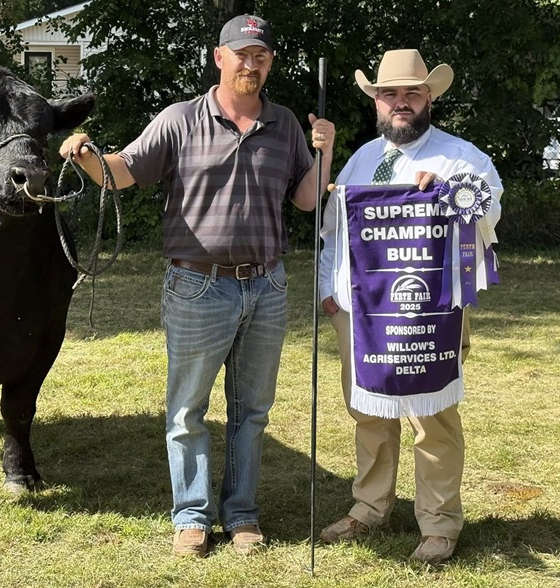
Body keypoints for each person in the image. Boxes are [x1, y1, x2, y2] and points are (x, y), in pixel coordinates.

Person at [59, 14, 335, 557]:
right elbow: (122, 172)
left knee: (252, 410)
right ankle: (190, 515)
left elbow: (306, 200)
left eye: (260, 56)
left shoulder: (284, 125)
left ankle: (242, 513)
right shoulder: (180, 120)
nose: (250, 64)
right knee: (188, 410)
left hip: (267, 286)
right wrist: (86, 155)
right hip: (197, 287)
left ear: (269, 62)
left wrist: (324, 153)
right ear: (219, 57)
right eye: (241, 54)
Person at [317, 49, 503, 564]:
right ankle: (369, 507)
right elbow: (334, 233)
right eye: (389, 93)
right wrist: (326, 294)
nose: (400, 102)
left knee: (433, 414)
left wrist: (449, 194)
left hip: (433, 313)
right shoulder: (359, 160)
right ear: (376, 102)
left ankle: (439, 523)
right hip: (361, 313)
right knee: (368, 411)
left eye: (411, 93)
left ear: (429, 98)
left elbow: (490, 212)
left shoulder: (462, 159)